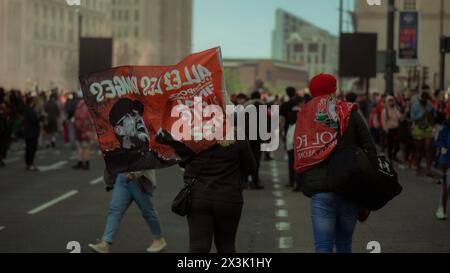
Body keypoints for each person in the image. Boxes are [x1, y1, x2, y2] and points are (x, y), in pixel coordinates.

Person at [296, 74, 377, 253]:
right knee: (344, 245)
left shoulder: (304, 115)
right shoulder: (349, 111)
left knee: (323, 247)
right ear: (334, 89)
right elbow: (370, 148)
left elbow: (299, 151)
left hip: (320, 191)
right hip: (349, 186)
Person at [157, 132, 257, 253]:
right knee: (226, 245)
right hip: (229, 197)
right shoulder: (238, 136)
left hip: (199, 196)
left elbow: (183, 161)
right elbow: (251, 168)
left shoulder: (195, 135)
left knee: (198, 246)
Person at [88, 170, 167, 253]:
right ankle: (105, 243)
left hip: (140, 180)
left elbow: (148, 160)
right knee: (114, 210)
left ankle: (158, 239)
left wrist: (135, 173)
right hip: (122, 177)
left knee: (147, 211)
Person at [411, 90, 435, 177]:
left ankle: (429, 170)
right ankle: (418, 168)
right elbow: (412, 117)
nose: (425, 100)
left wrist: (430, 114)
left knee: (428, 149)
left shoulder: (430, 104)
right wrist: (421, 114)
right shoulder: (416, 104)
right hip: (418, 129)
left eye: (427, 98)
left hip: (427, 128)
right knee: (419, 150)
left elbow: (433, 116)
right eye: (424, 98)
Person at [435, 103, 450, 220]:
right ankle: (441, 208)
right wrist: (443, 147)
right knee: (447, 186)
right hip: (447, 160)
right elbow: (439, 140)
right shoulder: (447, 125)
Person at [72, 98, 95, 170]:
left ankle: (80, 162)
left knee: (79, 146)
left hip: (79, 130)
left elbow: (75, 119)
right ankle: (87, 163)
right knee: (87, 147)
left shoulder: (79, 107)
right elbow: (92, 119)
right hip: (87, 130)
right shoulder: (89, 107)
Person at [381, 96, 403, 161]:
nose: (391, 102)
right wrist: (386, 130)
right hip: (389, 130)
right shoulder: (385, 111)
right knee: (390, 145)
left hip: (396, 129)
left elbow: (400, 118)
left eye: (392, 100)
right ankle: (390, 157)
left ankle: (394, 155)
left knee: (397, 144)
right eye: (390, 101)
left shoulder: (395, 109)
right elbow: (383, 121)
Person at [23, 96, 41, 171]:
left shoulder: (26, 109)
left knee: (28, 148)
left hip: (28, 131)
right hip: (32, 132)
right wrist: (40, 118)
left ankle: (28, 164)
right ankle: (30, 164)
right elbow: (34, 120)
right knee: (31, 148)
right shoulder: (30, 110)